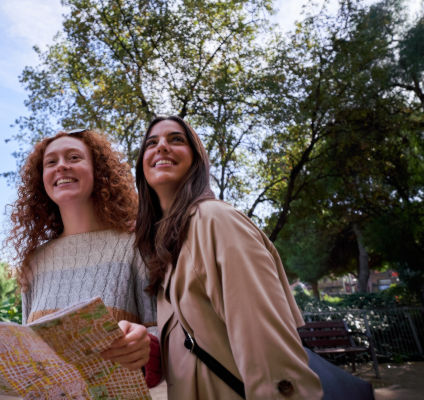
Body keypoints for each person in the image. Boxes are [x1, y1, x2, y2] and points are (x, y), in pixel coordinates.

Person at [0, 129, 160, 391]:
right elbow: (30, 356)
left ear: (98, 171)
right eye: (51, 162)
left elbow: (163, 334)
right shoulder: (35, 261)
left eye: (74, 157)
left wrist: (147, 350)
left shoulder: (135, 246)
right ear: (42, 179)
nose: (62, 166)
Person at [134, 115, 323, 399]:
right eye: (151, 143)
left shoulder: (215, 221)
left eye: (176, 140)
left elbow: (267, 348)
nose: (161, 147)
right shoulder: (168, 249)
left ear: (197, 161)